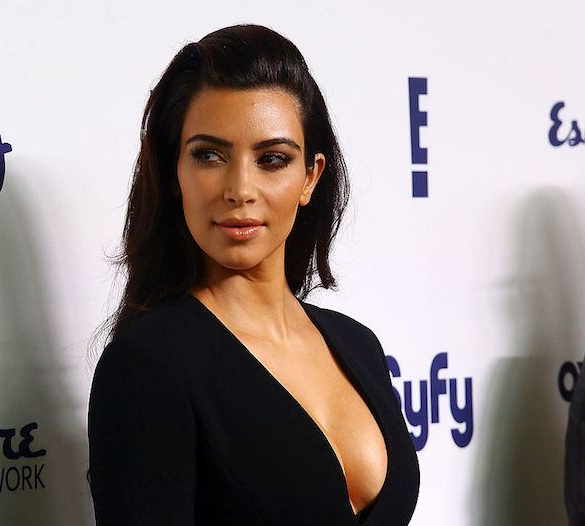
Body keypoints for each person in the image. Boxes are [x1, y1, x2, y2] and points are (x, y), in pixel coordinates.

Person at [87, 24, 419, 525]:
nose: (240, 189)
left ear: (310, 177)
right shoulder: (147, 366)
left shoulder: (359, 345)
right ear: (174, 171)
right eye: (209, 155)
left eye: (272, 160)